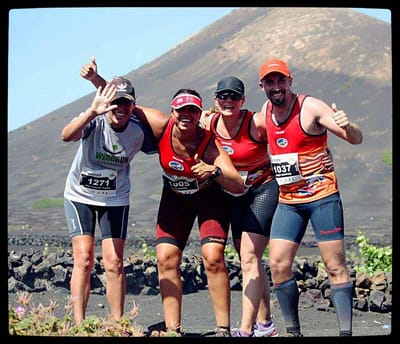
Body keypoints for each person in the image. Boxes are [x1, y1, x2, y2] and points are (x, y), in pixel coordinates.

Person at [80, 59, 245, 336]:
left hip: (208, 198)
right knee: (166, 258)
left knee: (213, 256)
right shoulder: (161, 125)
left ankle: (223, 329)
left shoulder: (209, 144)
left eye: (192, 111)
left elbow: (238, 185)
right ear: (173, 111)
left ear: (199, 113)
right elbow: (121, 100)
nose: (186, 116)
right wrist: (96, 79)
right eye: (181, 110)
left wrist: (213, 170)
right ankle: (173, 329)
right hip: (175, 198)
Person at [259, 58, 363, 337]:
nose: (276, 86)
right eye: (270, 82)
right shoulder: (265, 111)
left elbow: (355, 138)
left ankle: (345, 333)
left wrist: (348, 124)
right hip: (289, 201)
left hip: (322, 198)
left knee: (335, 265)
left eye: (281, 80)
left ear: (290, 81)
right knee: (278, 264)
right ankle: (294, 332)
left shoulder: (311, 107)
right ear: (263, 86)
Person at [62, 77, 155, 325]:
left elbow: (171, 137)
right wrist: (93, 111)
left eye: (126, 104)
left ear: (133, 106)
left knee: (113, 262)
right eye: (115, 103)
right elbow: (66, 136)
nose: (120, 109)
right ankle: (79, 325)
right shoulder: (95, 120)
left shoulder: (137, 131)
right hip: (79, 195)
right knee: (83, 258)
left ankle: (117, 324)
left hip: (115, 199)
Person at [201, 76, 279, 337]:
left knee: (248, 256)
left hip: (262, 189)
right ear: (216, 100)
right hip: (232, 193)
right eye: (223, 96)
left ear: (243, 100)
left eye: (234, 96)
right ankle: (266, 324)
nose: (228, 101)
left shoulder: (255, 123)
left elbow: (284, 138)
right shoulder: (208, 122)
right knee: (250, 259)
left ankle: (245, 330)